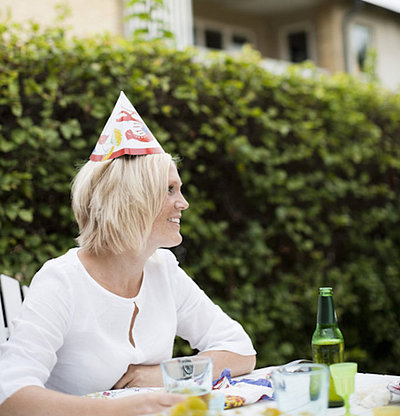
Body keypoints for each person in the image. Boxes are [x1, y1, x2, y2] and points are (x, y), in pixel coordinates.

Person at [0, 92, 256, 416]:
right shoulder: (61, 281)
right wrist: (134, 406)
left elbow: (240, 351)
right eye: (169, 190)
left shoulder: (163, 270)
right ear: (133, 200)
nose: (184, 203)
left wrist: (161, 376)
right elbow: (11, 397)